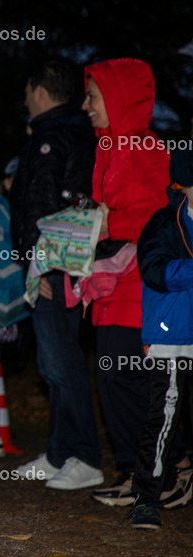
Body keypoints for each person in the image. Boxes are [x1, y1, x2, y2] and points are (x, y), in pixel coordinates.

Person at [79, 58, 170, 496]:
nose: (85, 105)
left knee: (126, 376)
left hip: (139, 285)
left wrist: (105, 225)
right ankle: (143, 470)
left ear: (117, 99)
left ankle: (161, 467)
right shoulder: (107, 148)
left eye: (93, 97)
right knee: (117, 377)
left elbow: (161, 221)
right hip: (110, 283)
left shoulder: (146, 148)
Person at [9, 62, 101, 488]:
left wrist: (42, 263)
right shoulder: (62, 131)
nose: (25, 99)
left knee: (62, 361)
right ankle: (61, 452)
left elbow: (49, 205)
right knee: (53, 363)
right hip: (51, 263)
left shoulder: (54, 134)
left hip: (55, 265)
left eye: (28, 91)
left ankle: (85, 457)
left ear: (40, 90)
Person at [124, 150, 193, 529]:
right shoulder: (164, 222)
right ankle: (146, 497)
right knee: (163, 418)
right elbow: (154, 272)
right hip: (172, 337)